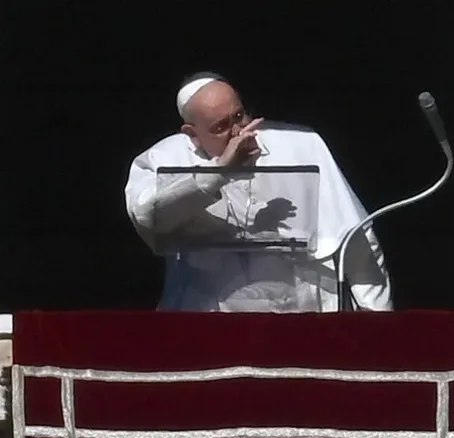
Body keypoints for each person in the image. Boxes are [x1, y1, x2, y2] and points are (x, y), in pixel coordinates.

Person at [124, 72, 392, 312]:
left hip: (304, 320)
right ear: (192, 134)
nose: (239, 132)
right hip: (212, 326)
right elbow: (148, 215)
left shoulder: (303, 144)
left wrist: (377, 326)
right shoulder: (163, 158)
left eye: (239, 116)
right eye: (221, 127)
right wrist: (217, 175)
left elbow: (358, 243)